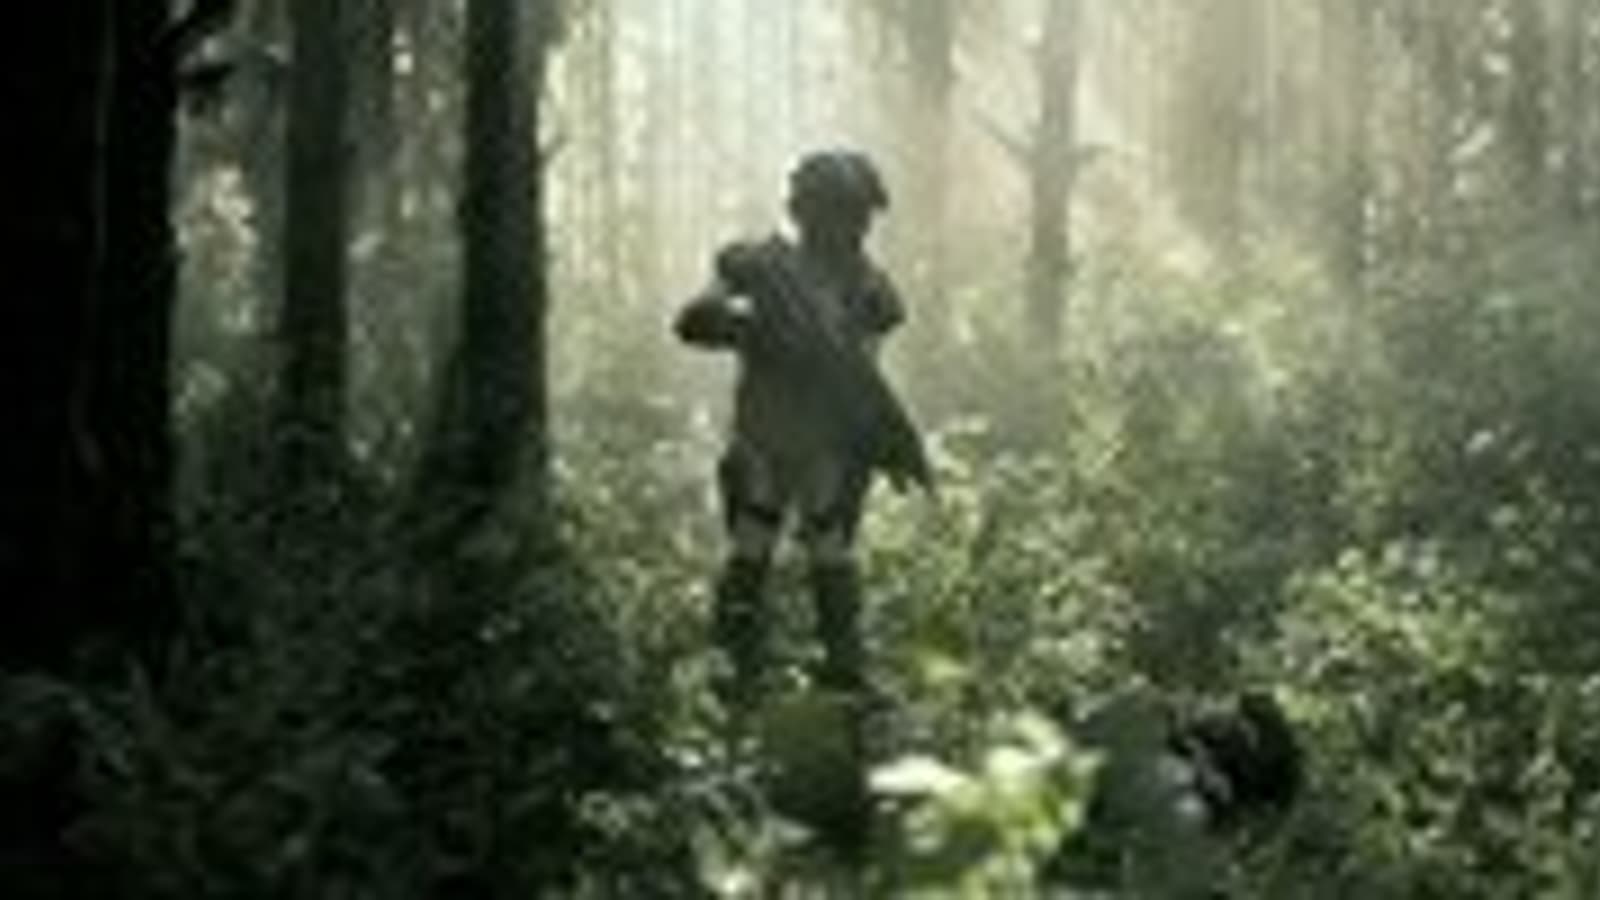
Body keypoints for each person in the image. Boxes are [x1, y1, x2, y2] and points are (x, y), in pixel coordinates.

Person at [674, 149, 930, 706]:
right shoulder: (760, 266)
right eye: (842, 211)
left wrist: (877, 439)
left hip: (829, 438)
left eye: (859, 214)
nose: (854, 227)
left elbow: (863, 373)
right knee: (754, 537)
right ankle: (733, 675)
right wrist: (752, 328)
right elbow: (695, 319)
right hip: (765, 429)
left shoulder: (869, 288)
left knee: (829, 544)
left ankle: (842, 673)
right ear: (807, 210)